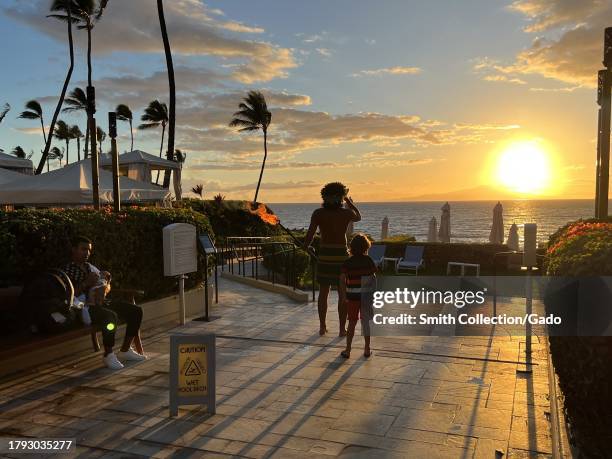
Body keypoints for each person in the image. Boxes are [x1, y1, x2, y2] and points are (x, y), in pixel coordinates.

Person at [64, 235, 146, 370]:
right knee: (110, 317)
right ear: (73, 249)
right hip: (83, 307)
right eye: (83, 249)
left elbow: (105, 284)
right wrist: (86, 283)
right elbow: (68, 295)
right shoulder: (67, 270)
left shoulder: (89, 267)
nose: (87, 253)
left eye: (89, 250)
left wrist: (104, 288)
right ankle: (108, 355)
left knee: (135, 311)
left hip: (100, 301)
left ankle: (125, 350)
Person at [303, 182, 361, 336]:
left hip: (325, 256)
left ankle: (322, 327)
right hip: (341, 256)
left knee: (324, 293)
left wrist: (306, 246)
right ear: (342, 198)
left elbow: (310, 234)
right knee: (343, 294)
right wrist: (350, 204)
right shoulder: (346, 214)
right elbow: (359, 217)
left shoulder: (318, 213)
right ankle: (342, 329)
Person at [338, 234, 376, 358]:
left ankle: (348, 350)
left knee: (352, 323)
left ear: (352, 247)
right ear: (366, 247)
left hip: (352, 298)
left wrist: (343, 296)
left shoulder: (347, 262)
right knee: (365, 323)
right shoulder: (369, 261)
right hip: (365, 298)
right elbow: (373, 278)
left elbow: (342, 279)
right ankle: (366, 349)